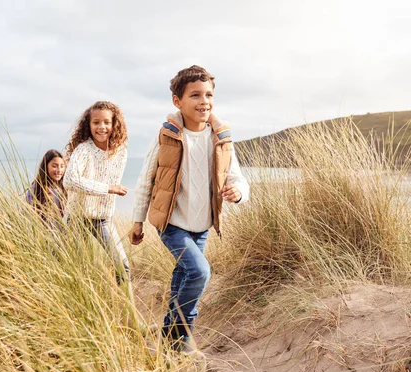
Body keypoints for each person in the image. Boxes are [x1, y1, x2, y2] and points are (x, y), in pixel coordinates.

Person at [130, 65, 250, 356]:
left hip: (202, 224)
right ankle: (179, 337)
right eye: (195, 95)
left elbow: (237, 177)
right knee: (199, 272)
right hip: (172, 222)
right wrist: (137, 221)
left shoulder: (220, 138)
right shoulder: (167, 136)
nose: (204, 101)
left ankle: (170, 340)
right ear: (177, 101)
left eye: (208, 94)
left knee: (184, 277)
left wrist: (239, 193)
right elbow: (146, 180)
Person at [63, 100, 130, 284]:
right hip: (76, 220)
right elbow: (69, 180)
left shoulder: (121, 151)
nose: (102, 127)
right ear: (89, 125)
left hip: (103, 219)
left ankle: (127, 311)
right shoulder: (83, 150)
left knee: (122, 267)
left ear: (114, 123)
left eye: (107, 122)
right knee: (77, 272)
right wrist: (108, 188)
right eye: (96, 122)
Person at [26, 149, 67, 229]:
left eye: (62, 166)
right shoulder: (36, 188)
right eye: (54, 166)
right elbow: (28, 212)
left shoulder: (64, 188)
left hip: (62, 235)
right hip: (43, 233)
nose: (59, 170)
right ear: (46, 166)